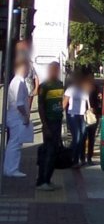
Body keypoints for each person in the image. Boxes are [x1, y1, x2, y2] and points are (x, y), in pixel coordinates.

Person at [3, 57, 34, 177]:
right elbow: (19, 103)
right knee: (15, 143)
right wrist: (25, 116)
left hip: (14, 115)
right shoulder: (19, 82)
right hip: (17, 116)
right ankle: (11, 169)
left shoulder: (17, 81)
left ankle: (9, 168)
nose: (28, 71)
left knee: (14, 142)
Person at [36, 62, 64, 191]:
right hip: (49, 122)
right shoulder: (44, 86)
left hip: (57, 122)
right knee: (48, 152)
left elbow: (62, 101)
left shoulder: (60, 84)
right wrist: (45, 125)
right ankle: (41, 181)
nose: (55, 72)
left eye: (57, 69)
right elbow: (41, 106)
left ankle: (48, 179)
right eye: (53, 69)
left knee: (54, 152)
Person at [63, 72, 90, 168]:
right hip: (73, 115)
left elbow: (87, 103)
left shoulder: (84, 90)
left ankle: (79, 158)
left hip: (82, 115)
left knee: (82, 137)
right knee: (77, 137)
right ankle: (73, 159)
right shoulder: (70, 90)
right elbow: (64, 103)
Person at [83, 72, 102, 166]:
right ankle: (82, 157)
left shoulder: (96, 88)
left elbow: (99, 101)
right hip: (83, 115)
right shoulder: (80, 89)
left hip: (94, 115)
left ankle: (89, 157)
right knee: (83, 137)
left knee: (91, 137)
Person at [15, 40, 39, 110]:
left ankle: (26, 118)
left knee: (27, 108)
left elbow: (36, 76)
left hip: (29, 89)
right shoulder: (17, 63)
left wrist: (36, 89)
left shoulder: (30, 64)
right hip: (22, 89)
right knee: (21, 107)